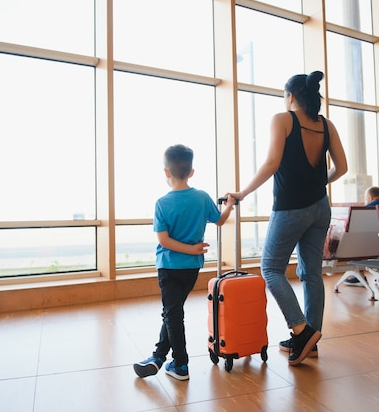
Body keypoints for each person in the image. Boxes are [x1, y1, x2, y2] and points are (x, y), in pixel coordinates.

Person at [229, 71, 348, 366]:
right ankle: (311, 340)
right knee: (311, 274)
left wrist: (242, 193)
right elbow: (341, 168)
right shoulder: (326, 125)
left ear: (291, 96)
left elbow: (271, 163)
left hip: (290, 207)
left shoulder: (283, 119)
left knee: (270, 268)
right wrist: (318, 184)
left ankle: (301, 329)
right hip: (321, 207)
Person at [133, 144, 235, 381]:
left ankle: (180, 365)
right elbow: (219, 220)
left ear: (166, 172)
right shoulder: (201, 197)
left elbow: (164, 240)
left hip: (168, 266)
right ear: (191, 172)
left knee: (173, 313)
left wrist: (187, 248)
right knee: (172, 312)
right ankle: (158, 356)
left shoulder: (162, 203)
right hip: (191, 268)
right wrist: (229, 205)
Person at [344, 186, 379, 286]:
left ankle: (359, 277)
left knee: (353, 242)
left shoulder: (365, 210)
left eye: (365, 197)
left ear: (370, 197)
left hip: (366, 248)